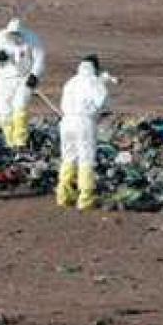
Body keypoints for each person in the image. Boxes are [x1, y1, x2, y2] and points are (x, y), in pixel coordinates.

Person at [56, 55, 113, 211]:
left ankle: (63, 194)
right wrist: (98, 112)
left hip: (66, 122)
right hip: (84, 121)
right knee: (86, 158)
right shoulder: (94, 82)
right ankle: (86, 197)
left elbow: (62, 103)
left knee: (68, 157)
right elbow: (103, 100)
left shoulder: (71, 82)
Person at [0, 18, 45, 148]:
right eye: (12, 34)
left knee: (20, 105)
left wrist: (35, 75)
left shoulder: (32, 40)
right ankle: (10, 141)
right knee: (4, 109)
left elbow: (39, 58)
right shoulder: (0, 37)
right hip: (5, 78)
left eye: (17, 35)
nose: (14, 37)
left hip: (24, 78)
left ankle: (20, 141)